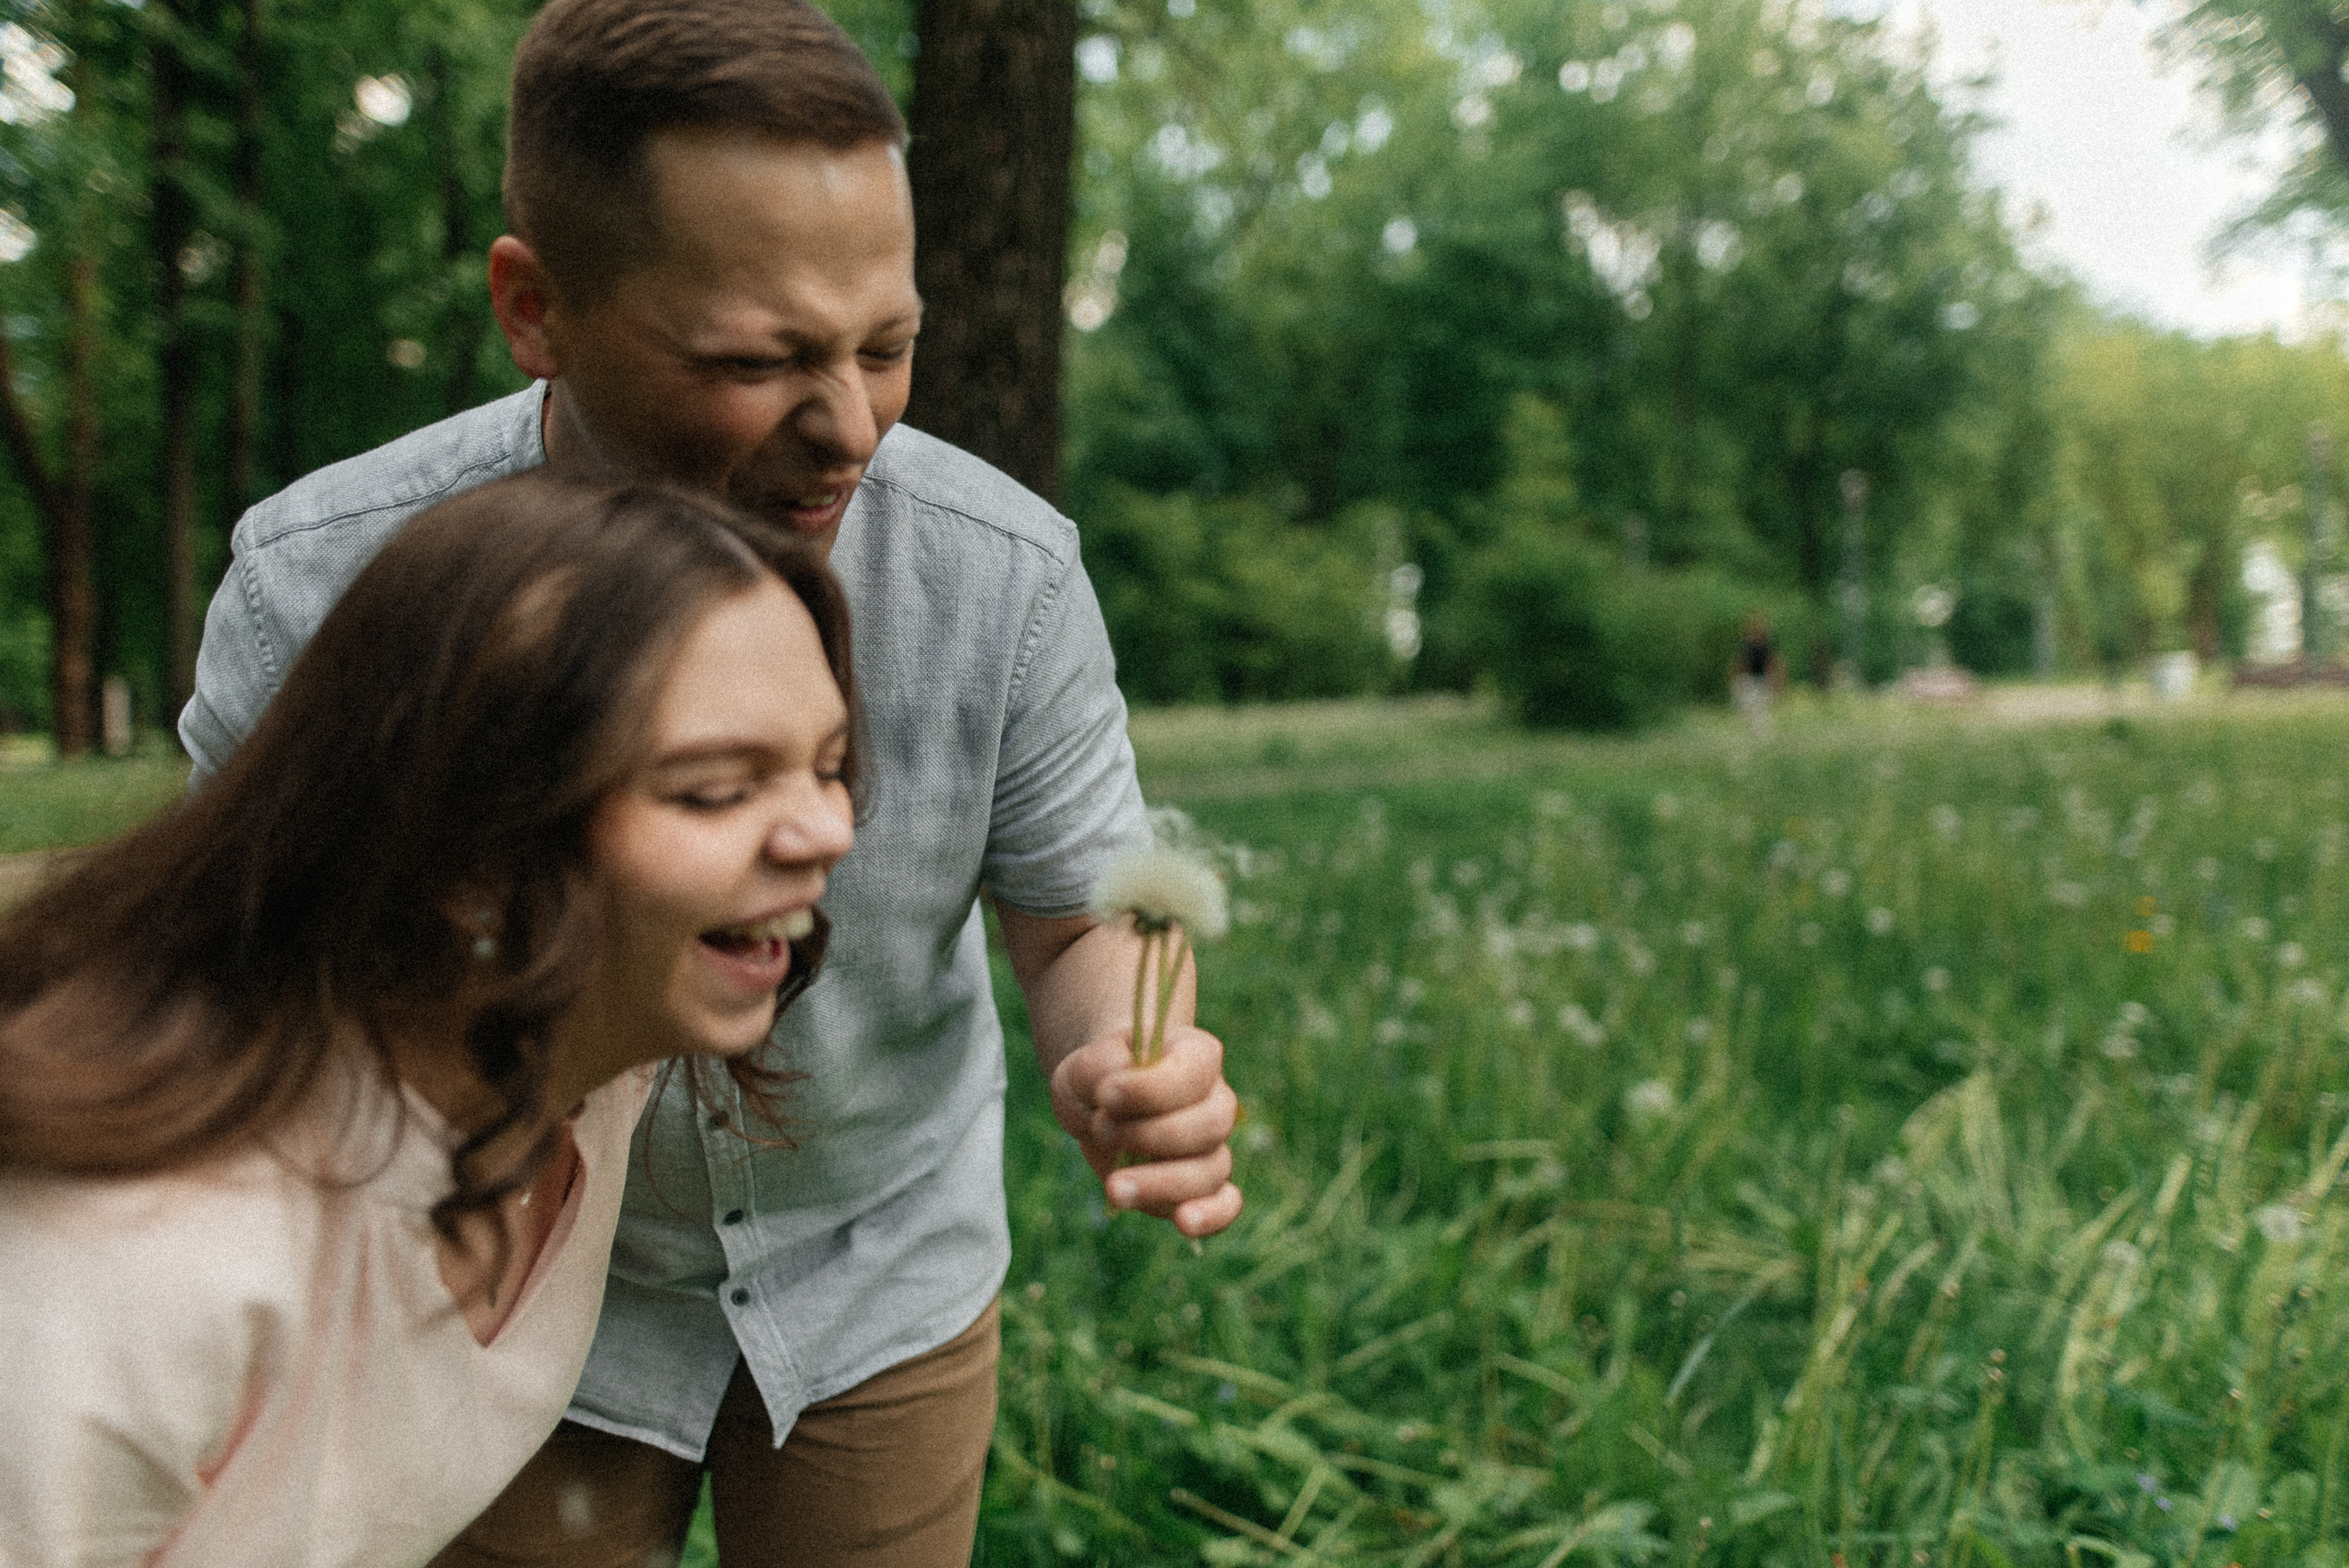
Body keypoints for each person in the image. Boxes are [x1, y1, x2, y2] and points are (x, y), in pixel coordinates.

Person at [178, 1, 1243, 1562]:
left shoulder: (1000, 575)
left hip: (878, 1271)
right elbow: (232, 974)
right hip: (486, 1288)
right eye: (756, 359)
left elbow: (1087, 907)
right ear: (535, 307)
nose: (852, 429)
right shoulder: (326, 581)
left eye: (889, 345)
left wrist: (1126, 1054)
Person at [1, 474, 860, 1566]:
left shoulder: (574, 1065)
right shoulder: (145, 1256)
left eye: (826, 765)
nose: (826, 829)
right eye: (710, 790)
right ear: (463, 846)